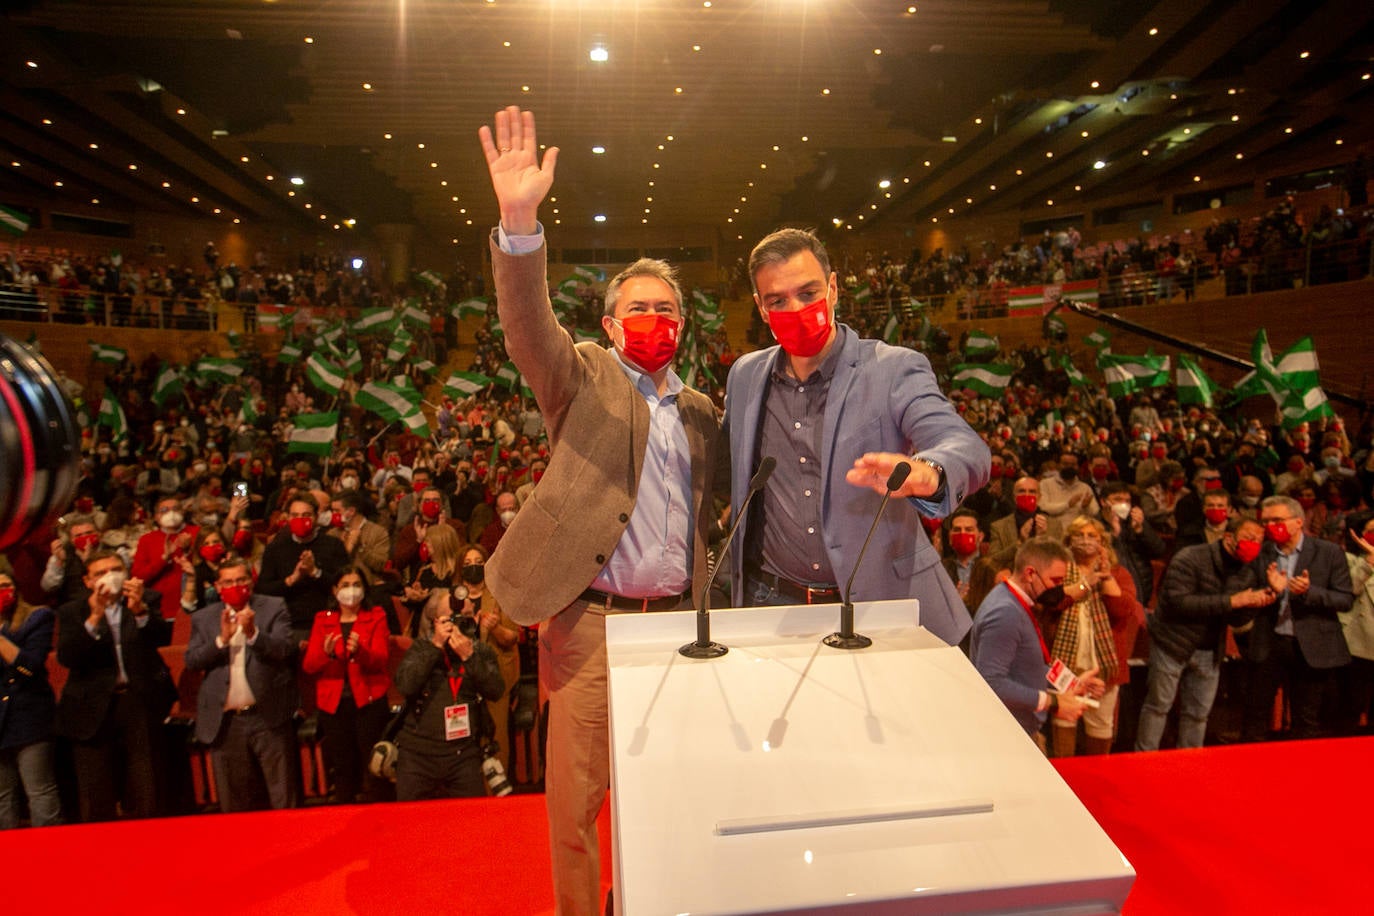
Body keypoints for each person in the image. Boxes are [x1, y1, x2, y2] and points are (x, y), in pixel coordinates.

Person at [478, 106, 720, 916]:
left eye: (667, 310)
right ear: (612, 324)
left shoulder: (704, 411)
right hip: (592, 628)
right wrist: (520, 225)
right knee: (577, 808)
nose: (655, 321)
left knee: (672, 795)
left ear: (682, 327)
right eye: (639, 309)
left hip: (683, 631)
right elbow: (526, 332)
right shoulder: (581, 376)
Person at [721, 226, 989, 646]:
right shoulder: (745, 375)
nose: (796, 307)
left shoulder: (893, 368)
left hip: (879, 602)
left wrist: (929, 472)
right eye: (778, 300)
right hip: (770, 601)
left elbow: (965, 445)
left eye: (808, 293)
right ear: (760, 307)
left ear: (832, 288)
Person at [54, 550, 176, 821]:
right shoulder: (73, 610)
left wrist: (140, 611)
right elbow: (68, 657)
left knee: (147, 782)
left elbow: (161, 638)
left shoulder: (146, 599)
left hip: (138, 700)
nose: (109, 576)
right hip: (91, 706)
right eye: (100, 573)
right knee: (95, 787)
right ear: (87, 581)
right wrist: (95, 618)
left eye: (115, 569)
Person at [1136, 518, 1273, 751]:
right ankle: (1143, 760)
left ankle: (1189, 764)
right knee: (1158, 707)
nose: (1255, 544)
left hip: (1210, 649)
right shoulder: (1191, 556)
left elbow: (1235, 617)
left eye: (1259, 540)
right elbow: (1179, 602)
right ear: (1229, 537)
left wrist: (1261, 600)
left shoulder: (1247, 569)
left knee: (1198, 714)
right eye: (1249, 538)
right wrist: (1232, 601)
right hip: (1172, 643)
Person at [185, 558, 301, 811]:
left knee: (283, 796)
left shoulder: (273, 607)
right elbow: (192, 660)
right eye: (228, 582)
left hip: (267, 717)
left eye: (240, 580)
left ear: (251, 580)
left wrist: (253, 635)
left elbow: (284, 649)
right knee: (234, 802)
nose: (235, 585)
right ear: (217, 586)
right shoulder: (203, 618)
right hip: (225, 722)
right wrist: (221, 640)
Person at [969, 537, 1101, 751]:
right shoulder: (1006, 612)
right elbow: (991, 682)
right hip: (1010, 738)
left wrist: (1071, 684)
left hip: (1017, 731)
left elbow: (1027, 664)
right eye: (1056, 581)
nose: (1059, 589)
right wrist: (1054, 702)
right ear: (1030, 574)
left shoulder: (1012, 602)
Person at [1238, 495, 1353, 741]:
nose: (1270, 527)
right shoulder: (1262, 553)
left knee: (1306, 719)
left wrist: (1308, 592)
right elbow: (1243, 596)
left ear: (1298, 521)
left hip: (1310, 646)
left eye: (1277, 520)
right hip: (1269, 642)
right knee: (1254, 716)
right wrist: (1269, 592)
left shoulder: (1329, 552)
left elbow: (1345, 600)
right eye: (1266, 521)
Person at [392, 592, 505, 801]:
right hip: (418, 756)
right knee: (411, 825)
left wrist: (470, 658)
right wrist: (435, 646)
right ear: (437, 622)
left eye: (467, 616)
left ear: (476, 618)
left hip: (463, 755)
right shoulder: (421, 647)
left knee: (472, 824)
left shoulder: (480, 652)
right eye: (452, 618)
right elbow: (406, 685)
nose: (460, 623)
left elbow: (496, 690)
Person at [1045, 516, 1140, 756]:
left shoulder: (1118, 573)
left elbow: (1123, 611)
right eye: (1079, 535)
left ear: (1103, 543)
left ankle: (1096, 780)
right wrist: (1085, 584)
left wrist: (1105, 577)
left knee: (1100, 725)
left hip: (1103, 667)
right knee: (1063, 722)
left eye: (1092, 536)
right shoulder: (1058, 570)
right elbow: (1050, 603)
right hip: (1065, 665)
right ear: (1069, 541)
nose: (1085, 541)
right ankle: (1064, 781)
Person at [302, 567, 392, 804]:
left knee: (374, 766)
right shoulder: (323, 620)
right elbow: (310, 665)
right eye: (344, 585)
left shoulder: (377, 615)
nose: (351, 590)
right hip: (334, 704)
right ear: (334, 590)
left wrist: (361, 653)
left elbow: (381, 659)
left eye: (356, 584)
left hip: (369, 702)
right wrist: (326, 654)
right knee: (343, 768)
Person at [0, 572, 63, 828]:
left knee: (39, 790)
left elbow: (31, 665)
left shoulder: (37, 617)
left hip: (28, 715)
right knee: (2, 797)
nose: (3, 590)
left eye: (6, 585)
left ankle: (49, 851)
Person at [452, 543, 521, 772]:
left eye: (479, 563)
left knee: (497, 736)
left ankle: (496, 790)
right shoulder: (453, 598)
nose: (474, 568)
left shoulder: (499, 594)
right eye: (468, 564)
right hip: (461, 680)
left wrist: (495, 628)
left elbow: (513, 636)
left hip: (495, 677)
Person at [256, 496, 349, 642]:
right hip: (287, 621)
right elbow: (263, 589)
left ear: (316, 517)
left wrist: (315, 572)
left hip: (325, 618)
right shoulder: (275, 548)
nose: (301, 519)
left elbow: (344, 586)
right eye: (295, 516)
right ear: (287, 518)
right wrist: (291, 580)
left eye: (306, 515)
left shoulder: (333, 545)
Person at [131, 495, 199, 620]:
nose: (171, 513)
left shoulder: (197, 532)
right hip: (161, 609)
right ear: (156, 517)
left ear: (183, 512)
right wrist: (163, 559)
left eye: (175, 508)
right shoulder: (147, 540)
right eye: (164, 510)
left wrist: (187, 550)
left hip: (194, 605)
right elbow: (138, 576)